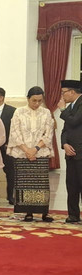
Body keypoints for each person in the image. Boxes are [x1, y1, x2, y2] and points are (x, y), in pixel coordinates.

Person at [7, 86, 54, 222]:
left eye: (40, 101)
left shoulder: (46, 112)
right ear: (28, 99)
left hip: (40, 152)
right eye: (34, 100)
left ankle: (44, 212)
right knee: (25, 184)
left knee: (41, 184)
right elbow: (15, 133)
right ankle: (28, 212)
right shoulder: (19, 112)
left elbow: (48, 133)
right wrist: (27, 150)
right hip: (23, 153)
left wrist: (35, 149)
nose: (37, 104)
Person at [59, 79, 82, 223]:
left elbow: (74, 121)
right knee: (72, 185)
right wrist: (65, 144)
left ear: (72, 92)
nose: (62, 96)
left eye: (64, 93)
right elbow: (65, 130)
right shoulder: (71, 107)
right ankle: (73, 215)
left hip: (81, 152)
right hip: (71, 153)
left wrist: (62, 109)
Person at [0, 87, 17, 205]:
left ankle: (10, 196)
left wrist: (10, 143)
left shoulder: (12, 111)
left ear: (1, 98)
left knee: (10, 172)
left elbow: (15, 130)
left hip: (7, 147)